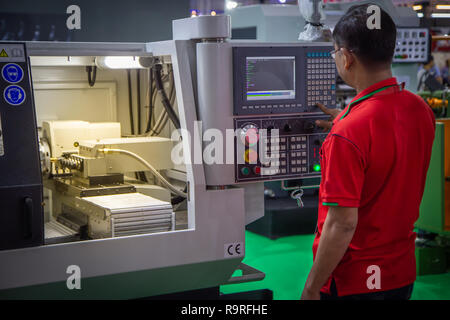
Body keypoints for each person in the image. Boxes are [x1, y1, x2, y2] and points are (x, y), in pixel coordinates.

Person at [301, 4, 436, 300]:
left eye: (335, 52)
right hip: (399, 274)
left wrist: (312, 288)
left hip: (355, 282)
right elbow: (388, 132)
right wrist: (350, 118)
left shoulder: (348, 133)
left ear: (347, 57)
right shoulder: (420, 110)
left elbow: (342, 223)